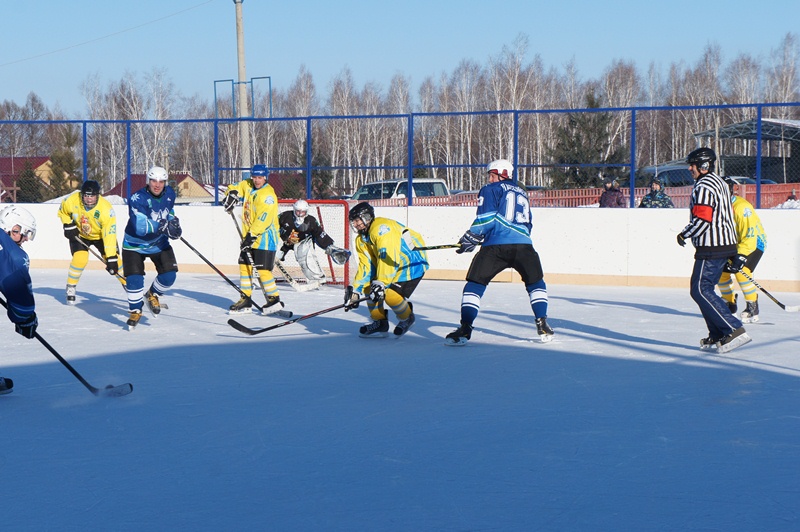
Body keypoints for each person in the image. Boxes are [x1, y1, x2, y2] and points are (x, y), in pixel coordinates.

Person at [445, 159, 554, 346]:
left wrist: (470, 238)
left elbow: (485, 218)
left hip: (496, 246)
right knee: (536, 282)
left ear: (500, 173)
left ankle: (465, 328)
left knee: (475, 284)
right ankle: (542, 323)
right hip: (524, 245)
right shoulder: (523, 193)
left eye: (491, 174)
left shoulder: (490, 189)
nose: (489, 178)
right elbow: (528, 224)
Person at [676, 147, 750, 353]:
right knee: (702, 289)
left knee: (700, 289)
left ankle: (733, 329)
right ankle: (718, 334)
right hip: (724, 244)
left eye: (693, 164)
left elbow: (702, 219)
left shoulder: (704, 186)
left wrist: (684, 233)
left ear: (704, 165)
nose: (690, 168)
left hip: (712, 246)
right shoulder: (719, 182)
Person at [344, 201, 428, 338]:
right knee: (368, 288)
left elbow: (388, 256)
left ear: (366, 217)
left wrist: (381, 282)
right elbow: (366, 266)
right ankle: (380, 322)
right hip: (391, 265)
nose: (355, 224)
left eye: (357, 220)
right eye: (353, 221)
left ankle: (407, 317)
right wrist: (356, 290)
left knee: (389, 294)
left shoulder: (382, 229)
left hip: (410, 262)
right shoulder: (361, 239)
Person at [121, 166, 183, 329]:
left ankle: (152, 294)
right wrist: (163, 226)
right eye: (154, 181)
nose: (157, 185)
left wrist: (173, 222)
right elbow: (140, 226)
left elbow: (169, 211)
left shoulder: (170, 193)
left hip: (158, 242)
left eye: (161, 181)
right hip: (134, 244)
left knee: (169, 276)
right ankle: (135, 310)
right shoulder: (137, 198)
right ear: (148, 181)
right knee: (134, 279)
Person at [222, 164, 284, 314]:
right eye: (255, 177)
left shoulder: (268, 195)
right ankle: (246, 299)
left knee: (263, 269)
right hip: (249, 236)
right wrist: (231, 195)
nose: (257, 180)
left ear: (265, 177)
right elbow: (233, 187)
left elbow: (264, 219)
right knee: (244, 266)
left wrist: (251, 236)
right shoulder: (248, 185)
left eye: (260, 177)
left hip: (264, 237)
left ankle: (274, 299)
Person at [57, 180, 125, 304]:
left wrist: (111, 257)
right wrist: (67, 224)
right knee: (80, 258)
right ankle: (71, 287)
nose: (89, 200)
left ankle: (128, 284)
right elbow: (62, 211)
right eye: (86, 196)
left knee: (116, 261)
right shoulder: (72, 200)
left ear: (98, 195)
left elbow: (109, 234)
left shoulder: (106, 210)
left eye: (92, 196)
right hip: (81, 235)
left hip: (101, 236)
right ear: (82, 195)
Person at [0, 205, 39, 395]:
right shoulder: (13, 255)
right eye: (23, 233)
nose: (25, 239)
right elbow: (19, 296)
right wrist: (26, 318)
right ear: (12, 228)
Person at [717, 177, 767, 324]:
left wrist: (741, 256)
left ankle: (752, 306)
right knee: (721, 271)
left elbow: (750, 235)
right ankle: (729, 303)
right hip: (734, 245)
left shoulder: (741, 208)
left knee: (741, 271)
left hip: (754, 243)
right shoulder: (718, 207)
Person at [277, 199, 351, 286]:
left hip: (302, 243)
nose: (300, 215)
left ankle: (316, 278)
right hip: (283, 241)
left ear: (306, 212)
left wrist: (329, 246)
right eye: (298, 212)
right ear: (294, 210)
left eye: (303, 212)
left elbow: (320, 234)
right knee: (271, 256)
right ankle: (260, 275)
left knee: (304, 257)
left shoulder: (311, 221)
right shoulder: (285, 216)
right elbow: (272, 225)